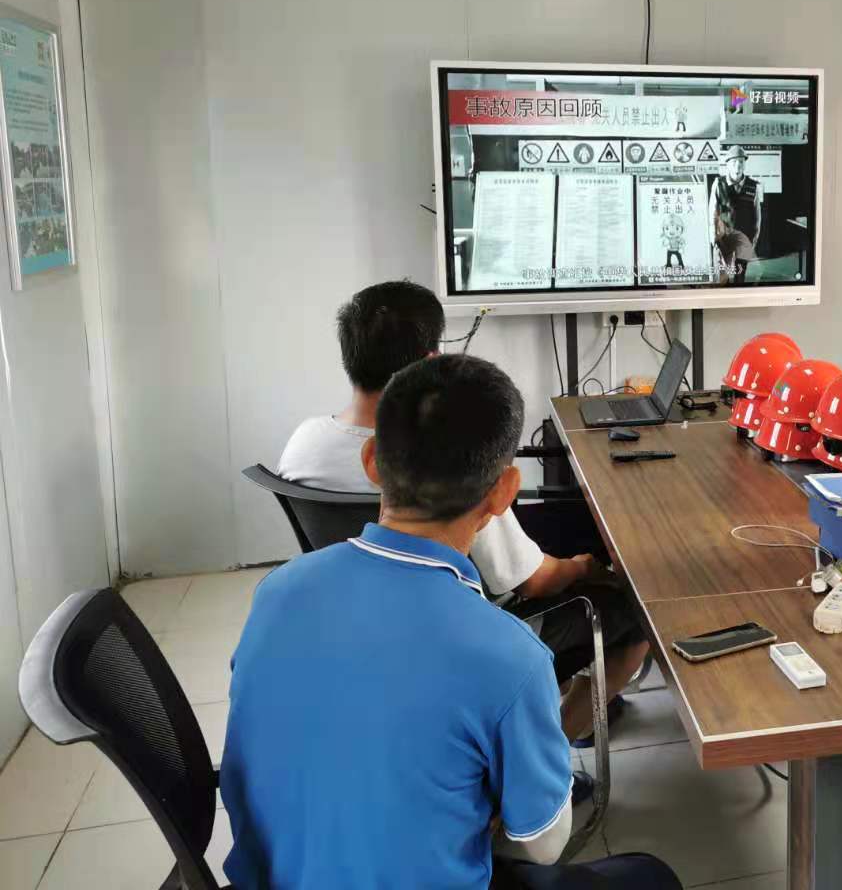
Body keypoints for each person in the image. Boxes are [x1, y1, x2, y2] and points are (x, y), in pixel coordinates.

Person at [223, 355, 680, 890]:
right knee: (651, 876)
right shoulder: (509, 656)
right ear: (504, 492)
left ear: (372, 462)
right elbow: (544, 845)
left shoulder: (277, 591)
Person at [277, 280, 650, 746]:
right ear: (431, 363)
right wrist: (582, 568)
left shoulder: (304, 443)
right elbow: (532, 582)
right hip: (475, 627)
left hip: (360, 614)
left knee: (567, 521)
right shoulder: (446, 461)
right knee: (636, 611)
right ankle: (547, 748)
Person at [708, 147, 762, 283]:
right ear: (727, 165)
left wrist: (754, 239)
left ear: (744, 164)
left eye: (741, 162)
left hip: (744, 238)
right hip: (723, 237)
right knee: (723, 275)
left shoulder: (753, 186)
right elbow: (712, 212)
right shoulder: (718, 184)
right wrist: (713, 237)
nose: (738, 166)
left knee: (740, 275)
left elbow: (757, 216)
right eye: (734, 162)